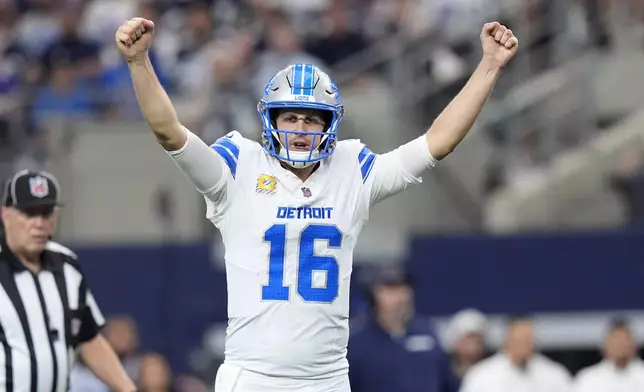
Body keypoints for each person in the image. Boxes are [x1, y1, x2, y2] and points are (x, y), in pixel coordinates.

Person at [115, 16, 519, 392]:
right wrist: (138, 63)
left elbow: (437, 143)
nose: (301, 129)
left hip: (326, 379)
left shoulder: (351, 170)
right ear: (271, 120)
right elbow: (171, 133)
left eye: (312, 119)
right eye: (291, 118)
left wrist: (489, 66)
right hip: (253, 376)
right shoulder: (239, 167)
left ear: (330, 125)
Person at [0, 170, 136, 392]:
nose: (39, 223)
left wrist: (128, 389)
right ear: (6, 214)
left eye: (46, 213)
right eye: (29, 213)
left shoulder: (66, 265)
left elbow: (89, 338)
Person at [348, 265, 458, 392]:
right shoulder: (358, 341)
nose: (402, 296)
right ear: (373, 294)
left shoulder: (427, 332)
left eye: (405, 288)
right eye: (392, 289)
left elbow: (447, 381)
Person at [459, 316, 572, 392]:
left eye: (528, 340)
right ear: (506, 341)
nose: (524, 346)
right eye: (519, 340)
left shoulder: (554, 374)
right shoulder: (481, 376)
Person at [574, 317, 644, 391]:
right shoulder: (588, 378)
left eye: (624, 340)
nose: (621, 345)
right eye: (616, 341)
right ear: (605, 346)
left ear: (634, 345)